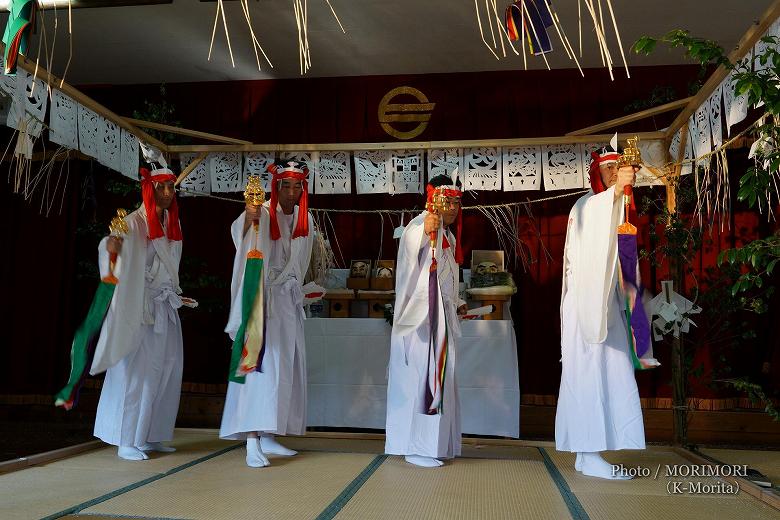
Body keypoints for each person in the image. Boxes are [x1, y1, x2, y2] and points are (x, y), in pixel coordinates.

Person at [555, 149, 645, 479]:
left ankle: (586, 452)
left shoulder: (610, 207)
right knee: (590, 375)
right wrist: (617, 191)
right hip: (586, 307)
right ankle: (589, 452)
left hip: (605, 305)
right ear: (597, 172)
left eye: (618, 168)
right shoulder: (588, 205)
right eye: (608, 168)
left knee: (607, 373)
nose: (613, 173)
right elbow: (601, 213)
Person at [220, 161, 314, 468]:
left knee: (283, 370)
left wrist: (302, 290)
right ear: (276, 187)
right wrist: (250, 214)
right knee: (259, 367)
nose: (291, 192)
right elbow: (240, 234)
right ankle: (251, 438)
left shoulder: (305, 218)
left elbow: (301, 262)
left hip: (287, 303)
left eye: (297, 186)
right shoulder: (262, 212)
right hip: (263, 299)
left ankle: (271, 433)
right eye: (286, 186)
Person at [93, 167, 185, 461]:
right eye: (162, 188)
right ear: (149, 189)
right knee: (137, 372)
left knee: (167, 368)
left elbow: (169, 270)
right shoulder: (133, 223)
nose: (168, 193)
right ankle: (126, 438)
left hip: (164, 305)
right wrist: (112, 248)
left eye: (171, 187)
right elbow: (112, 254)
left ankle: (150, 434)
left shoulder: (172, 223)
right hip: (140, 306)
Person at [385, 174, 467, 468]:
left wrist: (457, 303)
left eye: (458, 202)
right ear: (435, 201)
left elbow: (448, 280)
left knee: (440, 380)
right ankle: (415, 446)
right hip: (421, 320)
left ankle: (436, 444)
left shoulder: (449, 235)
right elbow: (410, 248)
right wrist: (424, 231)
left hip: (442, 316)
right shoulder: (419, 226)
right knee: (422, 380)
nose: (455, 207)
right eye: (449, 202)